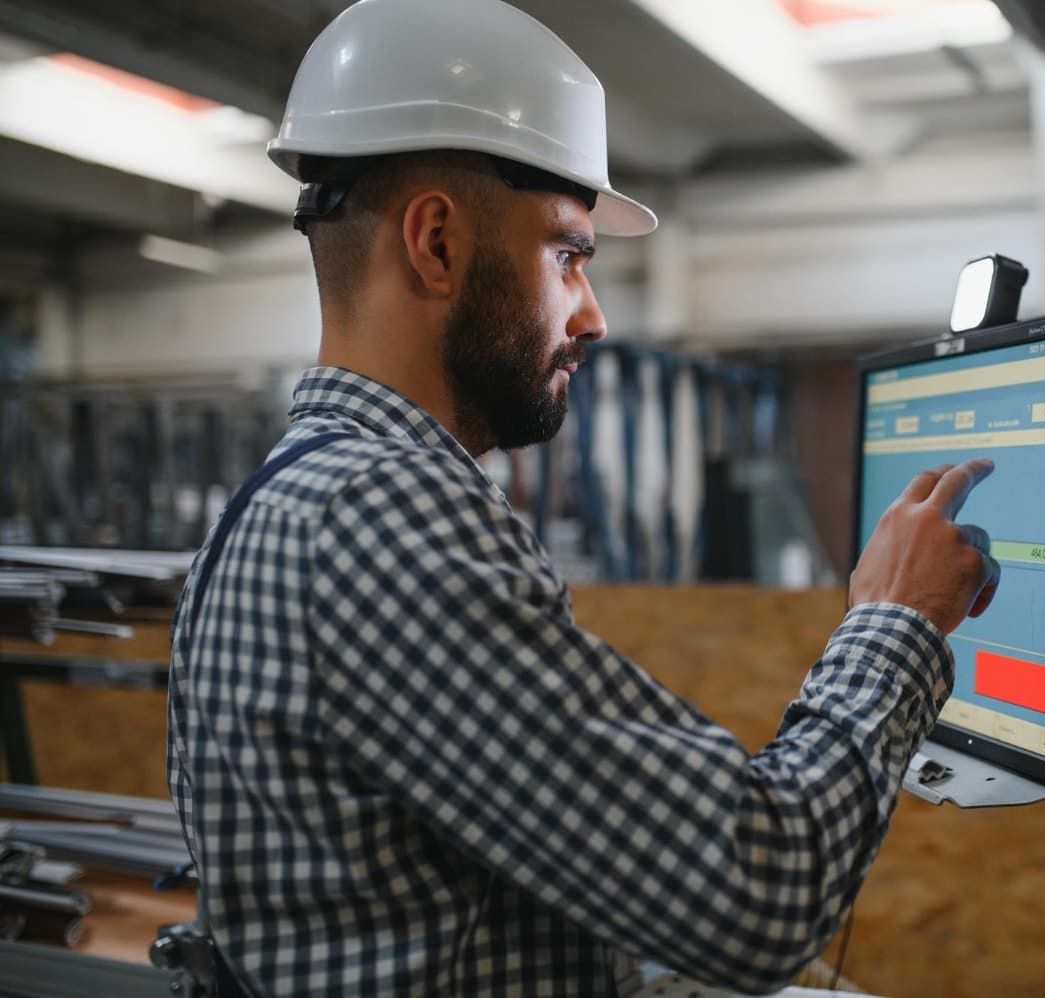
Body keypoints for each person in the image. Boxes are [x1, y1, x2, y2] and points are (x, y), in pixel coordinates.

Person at [166, 0, 1000, 994]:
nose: (593, 315)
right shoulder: (380, 516)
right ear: (435, 243)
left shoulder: (286, 495)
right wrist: (896, 620)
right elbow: (757, 890)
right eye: (567, 253)